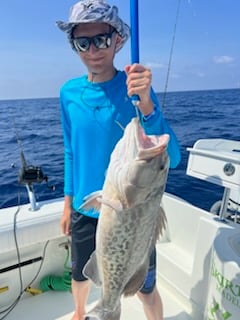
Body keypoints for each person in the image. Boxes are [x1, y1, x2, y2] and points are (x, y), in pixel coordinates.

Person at [56, 1, 181, 320]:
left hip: (134, 215)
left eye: (102, 38)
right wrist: (68, 202)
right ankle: (81, 313)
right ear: (74, 46)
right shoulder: (68, 93)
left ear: (118, 40)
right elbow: (71, 150)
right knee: (81, 274)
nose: (93, 49)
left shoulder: (134, 89)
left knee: (146, 287)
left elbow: (174, 157)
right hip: (87, 206)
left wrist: (148, 104)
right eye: (83, 42)